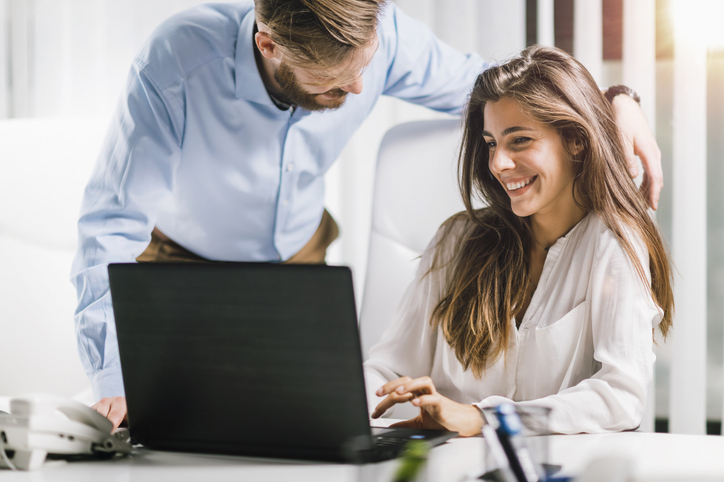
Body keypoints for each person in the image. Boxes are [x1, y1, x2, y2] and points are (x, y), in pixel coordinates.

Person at [71, 0, 663, 430]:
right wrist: (114, 382)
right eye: (334, 83)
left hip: (299, 258)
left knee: (279, 429)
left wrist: (615, 102)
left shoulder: (384, 42)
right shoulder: (178, 60)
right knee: (165, 430)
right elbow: (109, 225)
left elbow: (513, 92)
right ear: (269, 45)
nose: (361, 88)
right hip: (179, 258)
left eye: (367, 66)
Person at [365, 45, 674, 436]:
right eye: (492, 143)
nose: (498, 163)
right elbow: (389, 368)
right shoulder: (456, 240)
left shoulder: (612, 243)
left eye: (520, 140)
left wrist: (482, 419)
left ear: (576, 140)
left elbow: (620, 396)